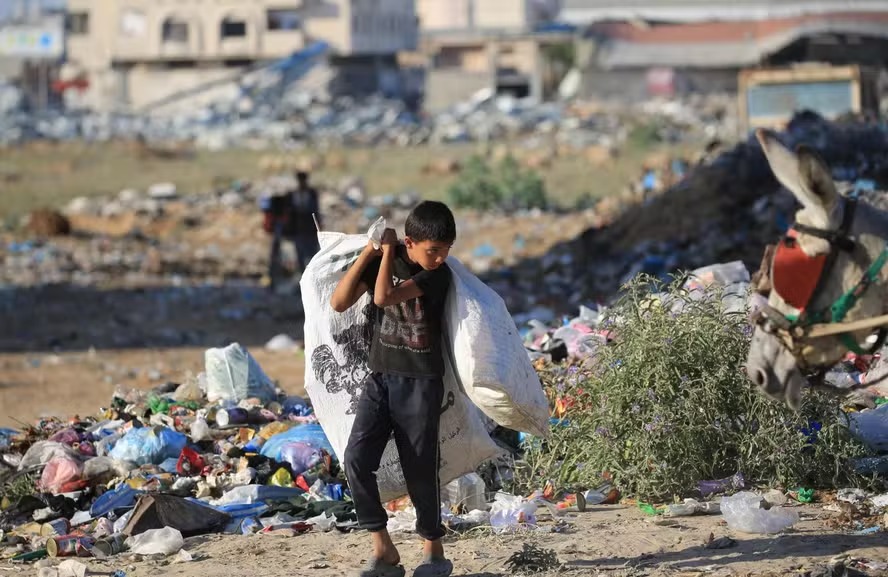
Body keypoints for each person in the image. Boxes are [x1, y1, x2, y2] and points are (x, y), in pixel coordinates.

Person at [329, 201, 456, 577]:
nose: (439, 258)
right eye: (432, 250)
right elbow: (339, 302)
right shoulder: (388, 259)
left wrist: (385, 258)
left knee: (419, 466)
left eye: (446, 250)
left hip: (421, 381)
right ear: (410, 242)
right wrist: (373, 252)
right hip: (381, 377)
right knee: (355, 459)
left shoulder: (438, 276)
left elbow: (384, 297)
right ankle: (383, 548)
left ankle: (434, 552)